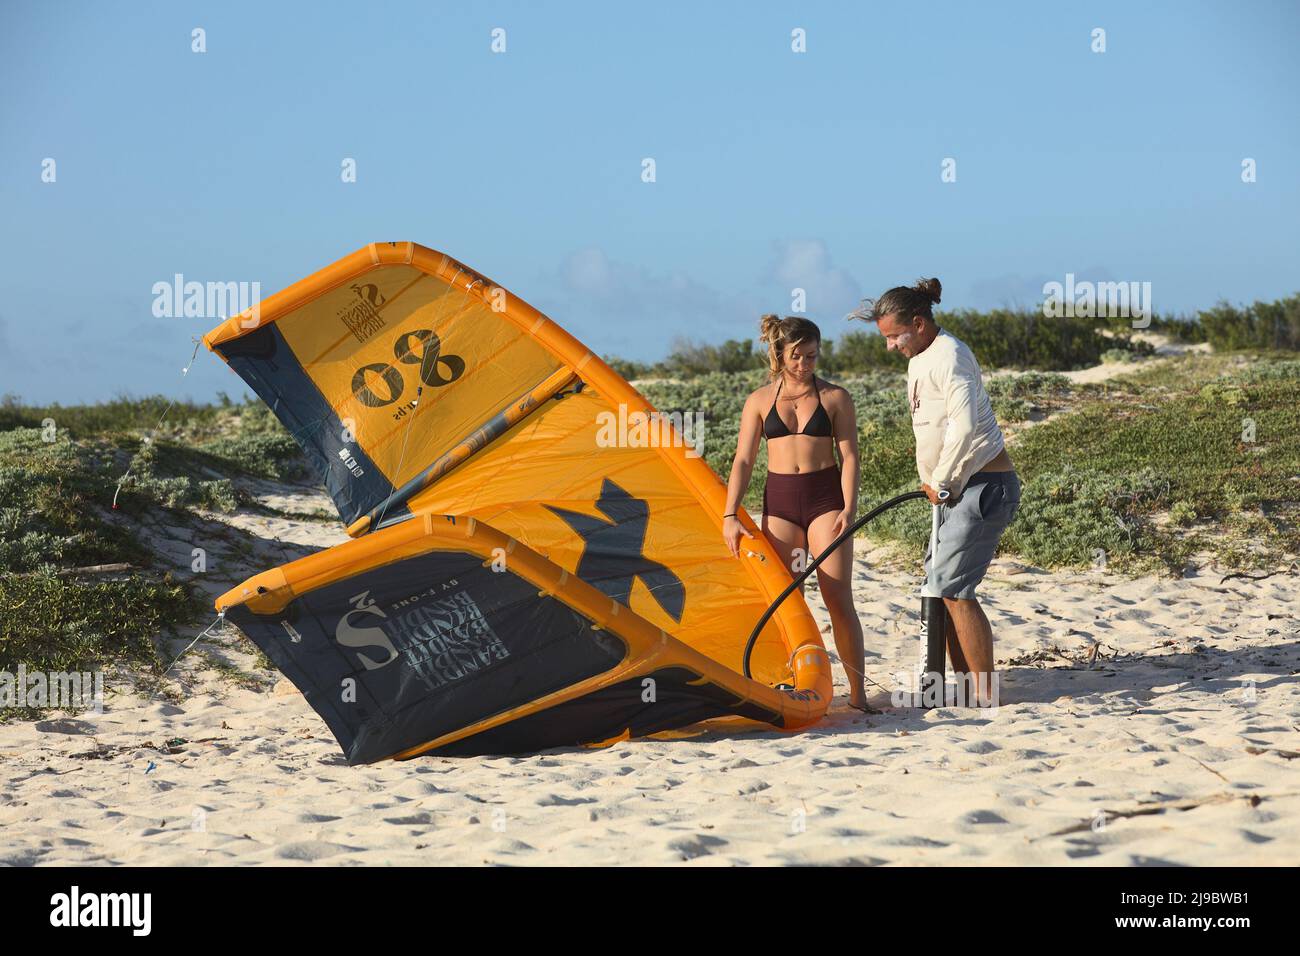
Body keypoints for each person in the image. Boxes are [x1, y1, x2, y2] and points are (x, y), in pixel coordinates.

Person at [854, 278, 1019, 706]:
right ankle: (964, 688)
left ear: (919, 322)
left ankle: (983, 695)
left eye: (894, 336)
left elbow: (964, 428)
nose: (890, 346)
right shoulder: (920, 358)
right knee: (940, 584)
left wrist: (942, 479)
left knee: (954, 587)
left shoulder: (951, 356)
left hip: (982, 487)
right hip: (951, 491)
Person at [722, 315, 869, 712]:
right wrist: (729, 514)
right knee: (791, 602)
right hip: (781, 505)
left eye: (812, 356)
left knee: (837, 598)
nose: (806, 364)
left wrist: (849, 507)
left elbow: (850, 455)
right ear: (779, 354)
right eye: (798, 356)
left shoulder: (835, 398)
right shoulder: (758, 401)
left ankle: (858, 695)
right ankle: (791, 685)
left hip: (826, 503)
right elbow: (743, 461)